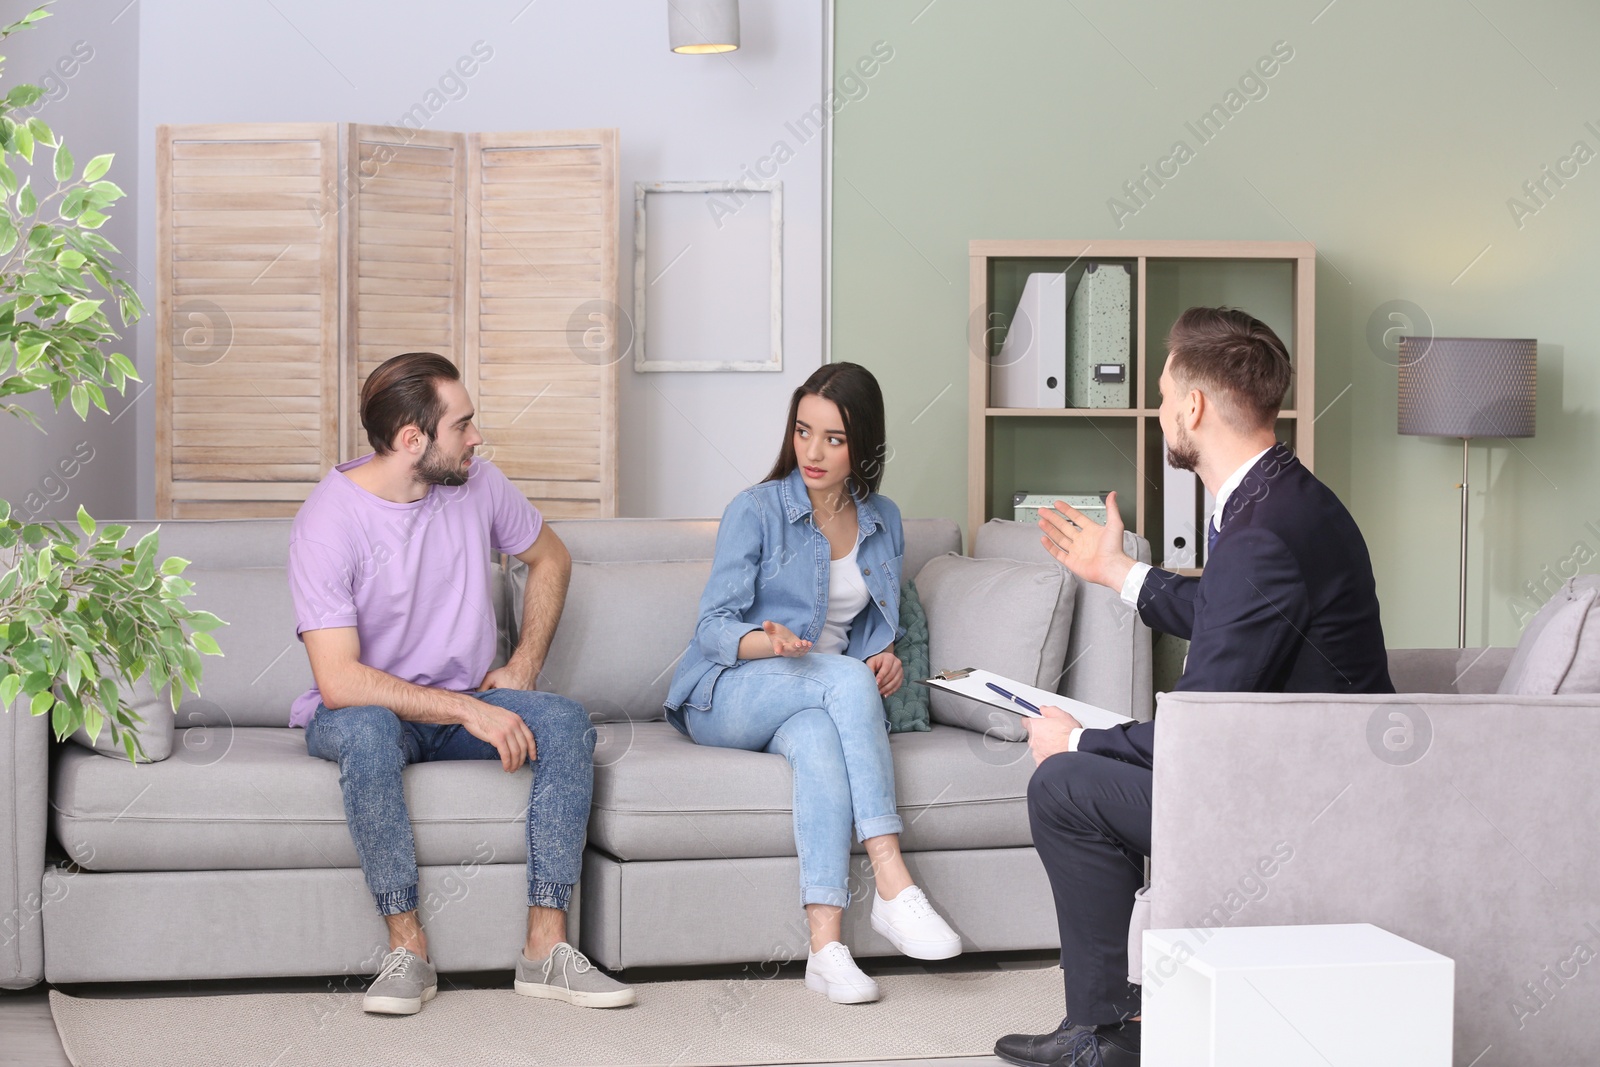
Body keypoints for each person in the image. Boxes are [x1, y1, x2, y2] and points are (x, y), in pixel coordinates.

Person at [993, 308, 1393, 1066]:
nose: (1158, 408)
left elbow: (1198, 733)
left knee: (1064, 784)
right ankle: (1117, 1020)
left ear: (1195, 407)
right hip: (1308, 772)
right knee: (1091, 762)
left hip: (1293, 805)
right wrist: (1120, 572)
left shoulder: (1261, 532)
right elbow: (1233, 611)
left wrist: (1073, 737)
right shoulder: (1285, 500)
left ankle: (1107, 1035)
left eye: (1163, 390)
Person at [289, 351, 634, 1015]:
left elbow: (551, 556)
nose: (477, 437)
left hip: (461, 703)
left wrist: (526, 662)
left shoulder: (479, 485)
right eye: (464, 424)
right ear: (413, 440)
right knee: (366, 730)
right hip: (366, 710)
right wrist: (466, 710)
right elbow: (338, 681)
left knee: (563, 720)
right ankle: (406, 950)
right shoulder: (328, 522)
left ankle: (545, 947)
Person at [664, 362, 962, 1004]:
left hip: (820, 697)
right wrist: (766, 642)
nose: (813, 452)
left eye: (834, 438)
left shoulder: (884, 518)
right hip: (731, 690)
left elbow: (869, 628)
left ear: (863, 445)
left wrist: (887, 656)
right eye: (804, 432)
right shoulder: (756, 510)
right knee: (842, 685)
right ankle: (892, 881)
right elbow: (713, 626)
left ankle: (825, 949)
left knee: (823, 737)